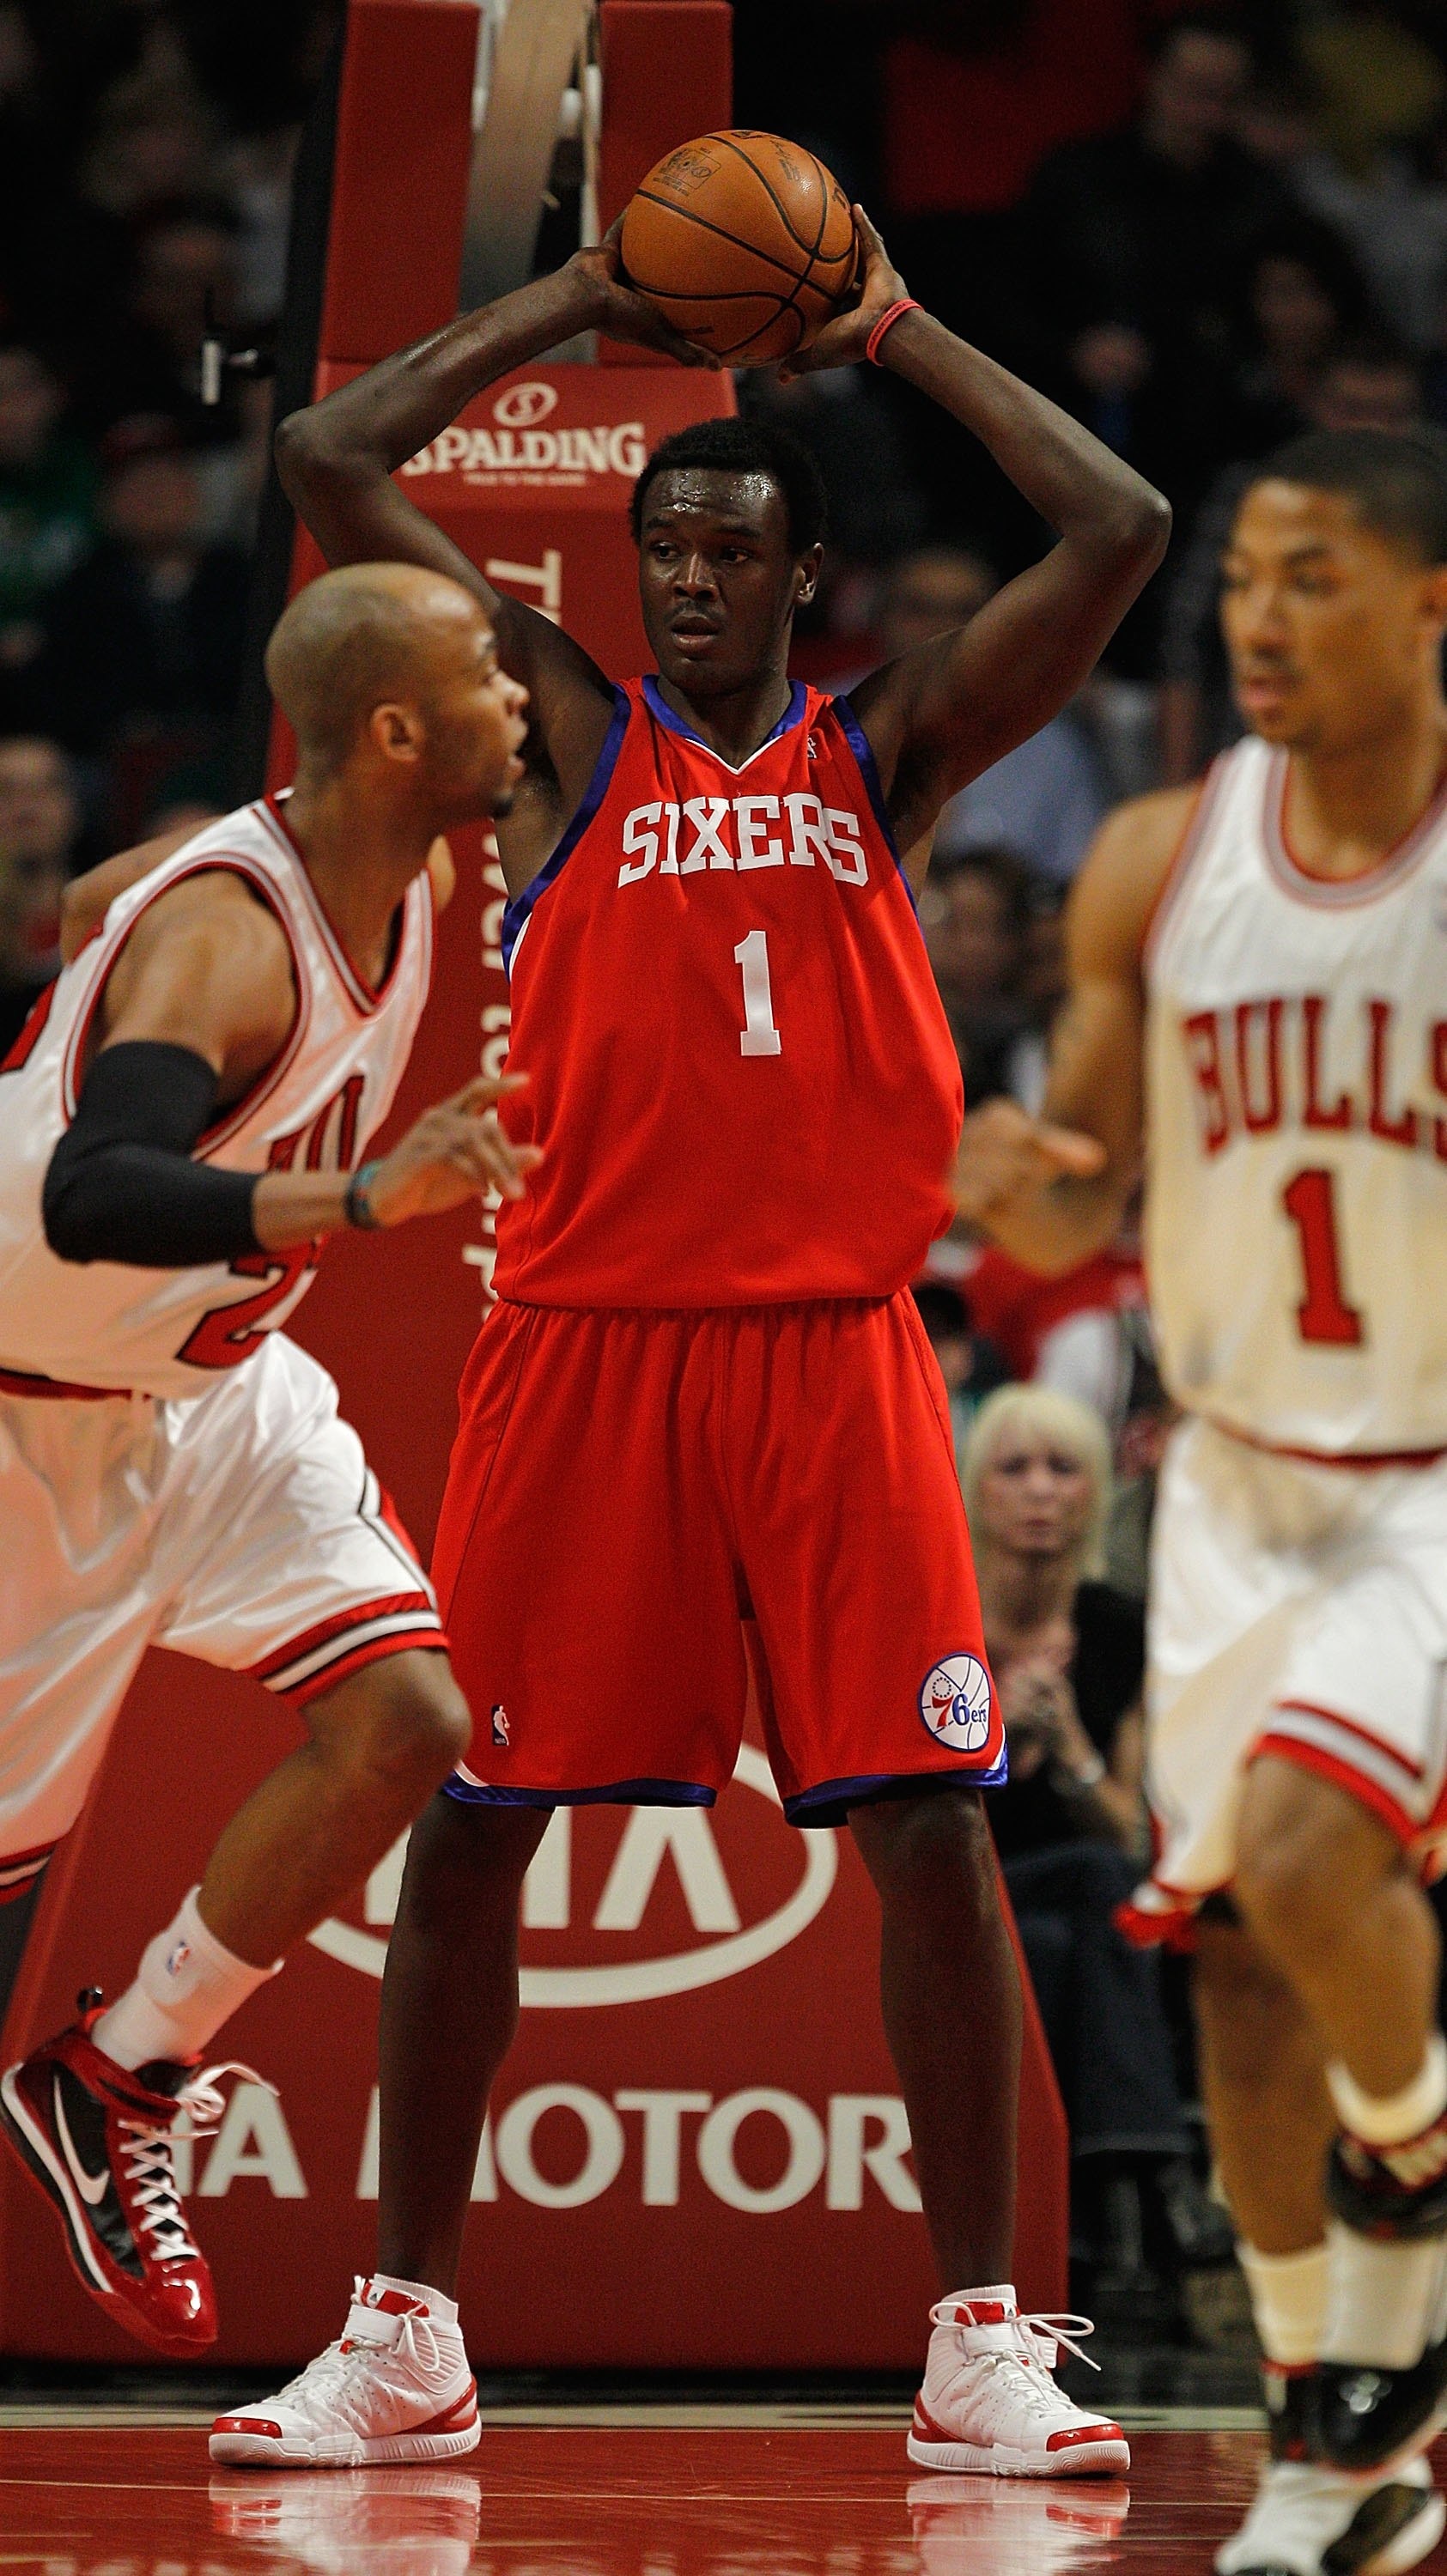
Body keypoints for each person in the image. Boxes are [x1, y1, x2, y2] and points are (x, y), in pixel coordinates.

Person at [214, 207, 1169, 2475]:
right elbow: (335, 452)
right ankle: (406, 2330)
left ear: (805, 571)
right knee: (470, 1824)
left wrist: (901, 329)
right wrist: (581, 306)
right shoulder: (554, 733)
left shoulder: (890, 750)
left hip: (826, 1351)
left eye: (735, 551)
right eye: (666, 554)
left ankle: (973, 2336)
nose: (693, 586)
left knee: (928, 1823)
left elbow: (1117, 520)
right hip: (582, 1346)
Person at [958, 426, 1447, 2574]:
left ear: (1429, 602)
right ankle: (1331, 2438)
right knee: (1235, 1962)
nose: (1256, 613)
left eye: (1314, 574)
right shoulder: (1156, 858)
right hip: (1236, 1475)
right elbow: (1078, 1168)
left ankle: (1410, 2209)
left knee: (1316, 1848)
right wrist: (1005, 1185)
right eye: (1242, 575)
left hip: (1430, 1476)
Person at [0, 560, 538, 2366]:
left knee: (408, 1720)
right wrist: (368, 1195)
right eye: (485, 671)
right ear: (394, 729)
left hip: (214, 1396)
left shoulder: (413, 863)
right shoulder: (230, 937)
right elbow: (92, 1195)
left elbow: (90, 902)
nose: (519, 692)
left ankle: (120, 2073)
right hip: (27, 1415)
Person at [962, 1385, 1225, 2306]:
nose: (1038, 1490)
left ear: (1092, 1493)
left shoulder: (1122, 1630)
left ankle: (1098, 2217)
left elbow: (1130, 1834)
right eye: (1014, 1468)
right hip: (960, 1892)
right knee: (1092, 1901)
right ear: (974, 1488)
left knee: (1082, 1925)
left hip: (1068, 1904)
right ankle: (1156, 2181)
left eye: (1062, 1468)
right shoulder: (936, 1616)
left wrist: (1068, 1746)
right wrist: (987, 1735)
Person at [0, 735, 82, 1056]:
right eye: (6, 792)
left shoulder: (112, 921)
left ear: (74, 808)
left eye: (45, 789)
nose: (26, 809)